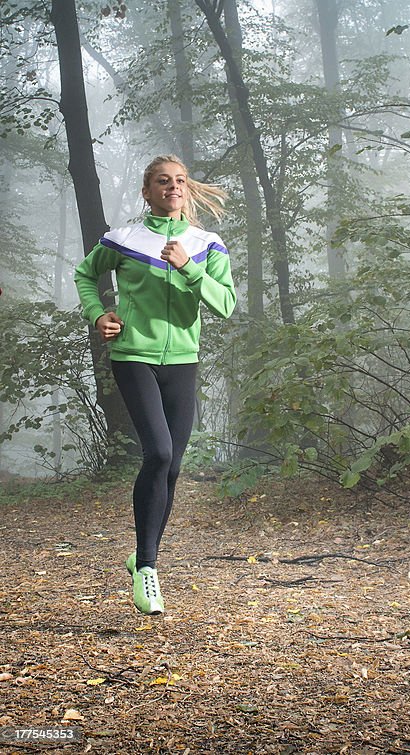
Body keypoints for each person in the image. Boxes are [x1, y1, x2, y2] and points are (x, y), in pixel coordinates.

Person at [74, 155, 236, 615]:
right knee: (158, 453)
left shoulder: (206, 244)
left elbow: (225, 304)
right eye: (163, 181)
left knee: (174, 467)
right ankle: (147, 568)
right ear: (147, 191)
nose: (173, 187)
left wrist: (189, 267)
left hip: (183, 361)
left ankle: (141, 554)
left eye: (179, 181)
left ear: (187, 189)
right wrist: (99, 314)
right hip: (133, 356)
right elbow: (86, 274)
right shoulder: (123, 240)